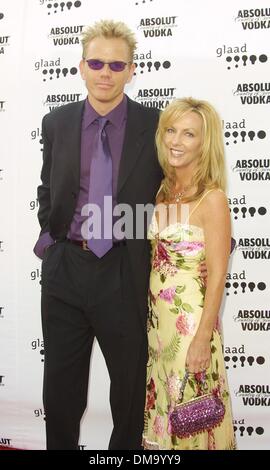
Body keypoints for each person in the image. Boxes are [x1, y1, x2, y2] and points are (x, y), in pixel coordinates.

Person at [34, 20, 206, 450]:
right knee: (60, 391)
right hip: (66, 270)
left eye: (116, 64)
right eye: (96, 62)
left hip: (127, 271)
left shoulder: (156, 125)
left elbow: (181, 186)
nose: (105, 72)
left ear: (132, 70)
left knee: (130, 392)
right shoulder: (56, 122)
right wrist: (50, 242)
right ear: (81, 67)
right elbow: (47, 187)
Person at [142, 98, 236, 450]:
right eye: (170, 130)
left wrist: (201, 340)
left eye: (188, 134)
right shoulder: (162, 192)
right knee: (161, 425)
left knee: (192, 424)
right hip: (159, 332)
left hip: (192, 328)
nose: (175, 141)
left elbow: (217, 277)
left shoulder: (212, 199)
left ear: (204, 143)